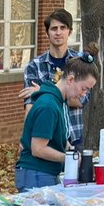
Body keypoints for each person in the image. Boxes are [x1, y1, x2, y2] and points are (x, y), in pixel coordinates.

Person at [14, 52, 99, 190]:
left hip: (44, 173)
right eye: (84, 89)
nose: (84, 94)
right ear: (71, 79)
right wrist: (69, 158)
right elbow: (38, 149)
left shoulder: (59, 102)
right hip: (36, 174)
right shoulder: (49, 106)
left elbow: (56, 135)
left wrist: (71, 149)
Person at [19, 9, 87, 148]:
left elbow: (79, 101)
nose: (58, 32)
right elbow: (31, 106)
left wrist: (42, 91)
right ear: (47, 33)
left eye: (63, 28)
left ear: (70, 31)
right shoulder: (34, 66)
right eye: (54, 28)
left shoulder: (80, 63)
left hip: (75, 136)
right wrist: (25, 140)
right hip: (46, 138)